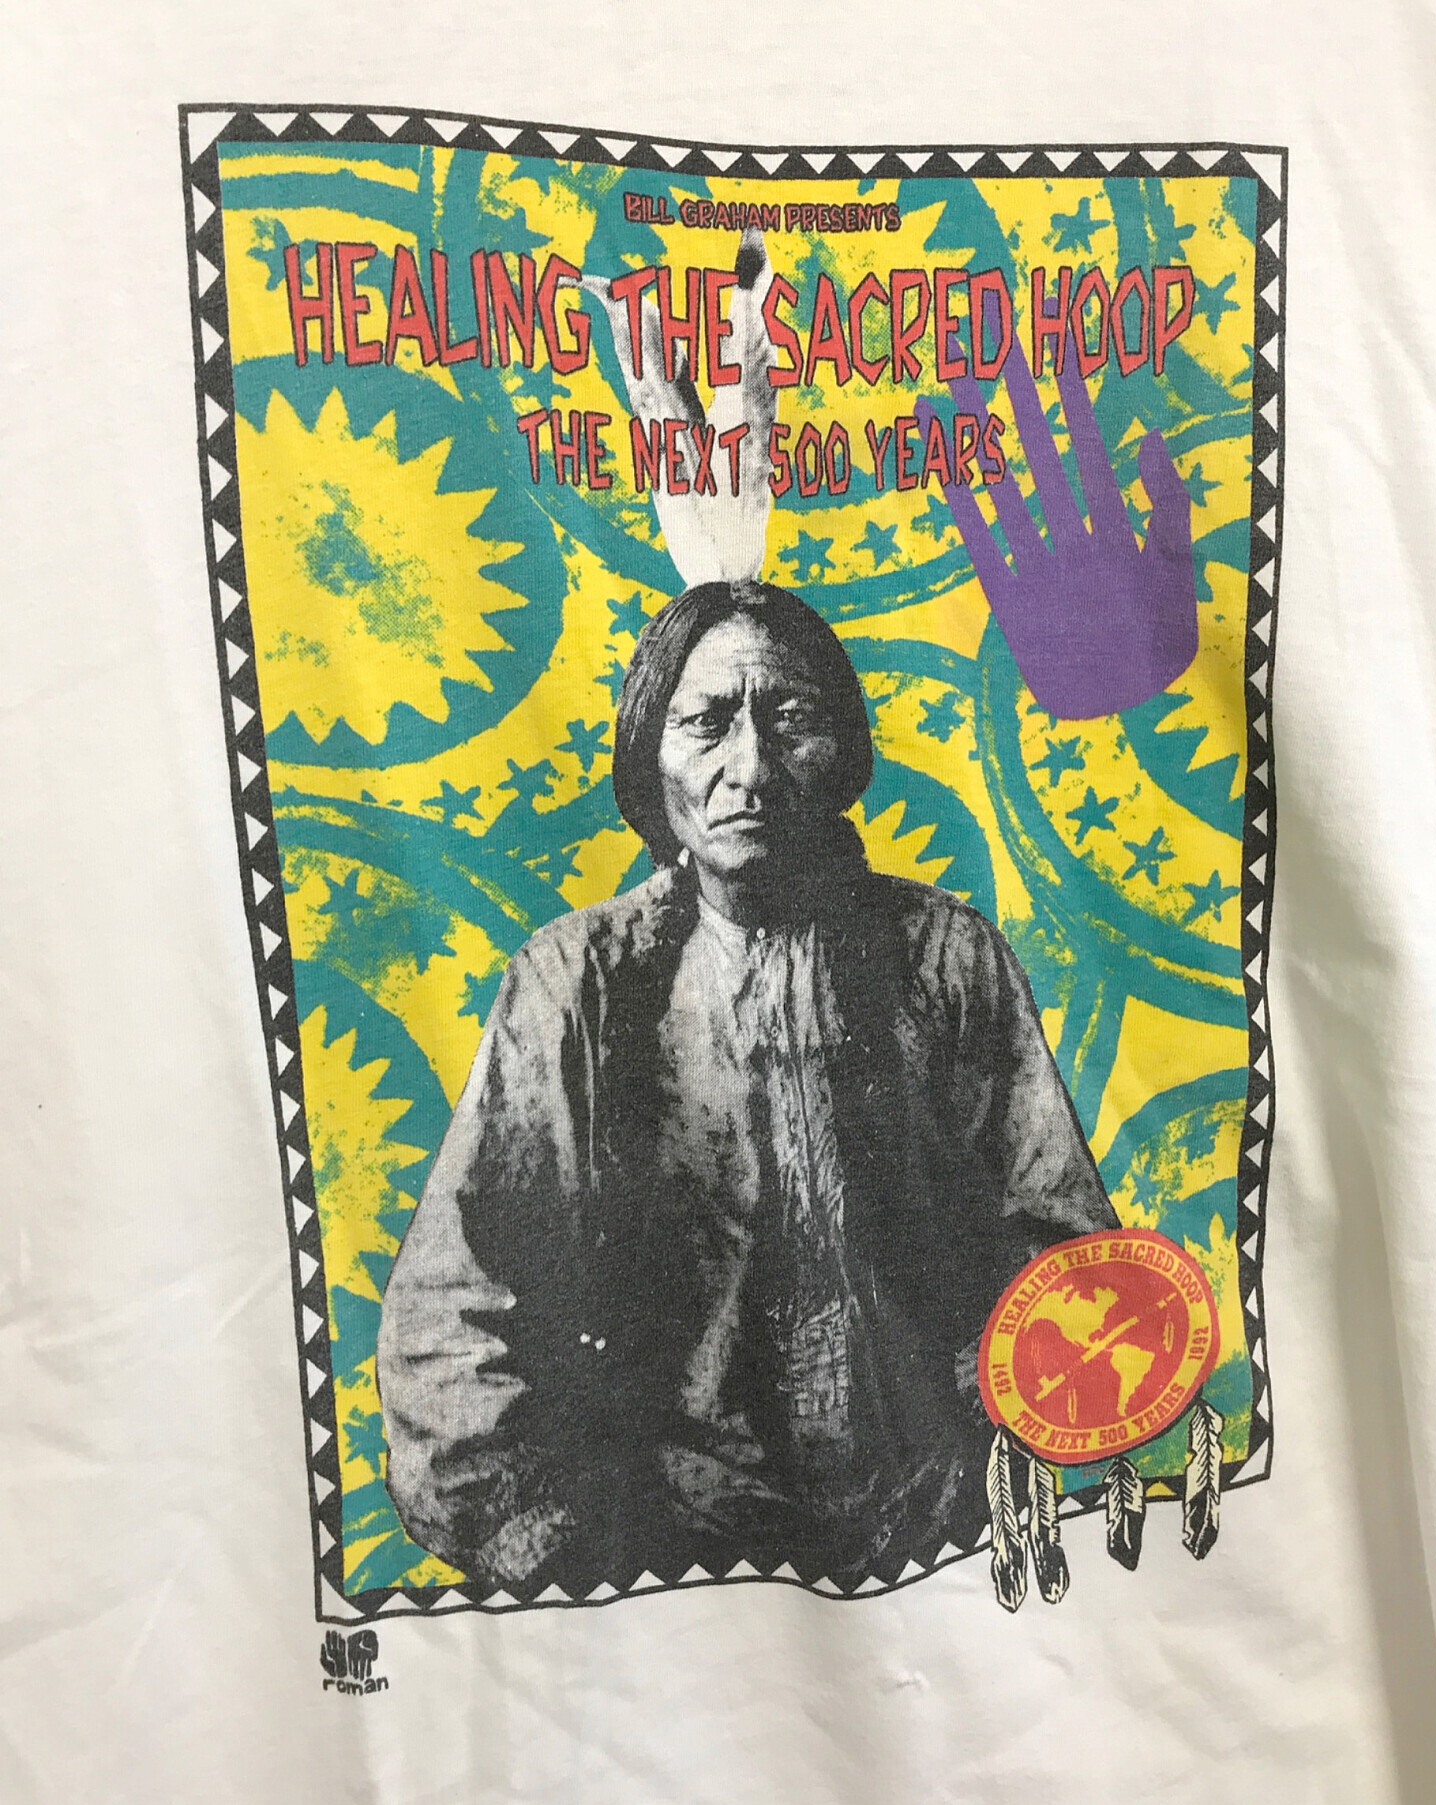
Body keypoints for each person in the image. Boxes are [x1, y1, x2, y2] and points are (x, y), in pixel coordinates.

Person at [376, 579, 1118, 1600]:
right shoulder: (575, 986)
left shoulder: (946, 957)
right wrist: (561, 1560)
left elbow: (1066, 1259)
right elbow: (449, 1318)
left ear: (843, 753)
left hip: (937, 1547)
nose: (752, 768)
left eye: (792, 720)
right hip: (664, 1566)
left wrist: (987, 1452)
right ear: (651, 753)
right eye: (707, 722)